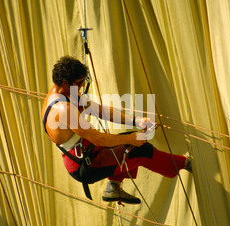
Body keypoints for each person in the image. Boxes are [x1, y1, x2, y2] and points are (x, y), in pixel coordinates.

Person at [42, 56, 192, 204]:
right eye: (79, 83)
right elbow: (98, 138)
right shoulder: (63, 109)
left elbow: (100, 111)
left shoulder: (62, 92)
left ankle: (113, 186)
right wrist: (131, 139)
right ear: (65, 82)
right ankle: (183, 163)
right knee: (141, 151)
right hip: (85, 165)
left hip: (88, 152)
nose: (81, 87)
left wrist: (137, 121)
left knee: (128, 141)